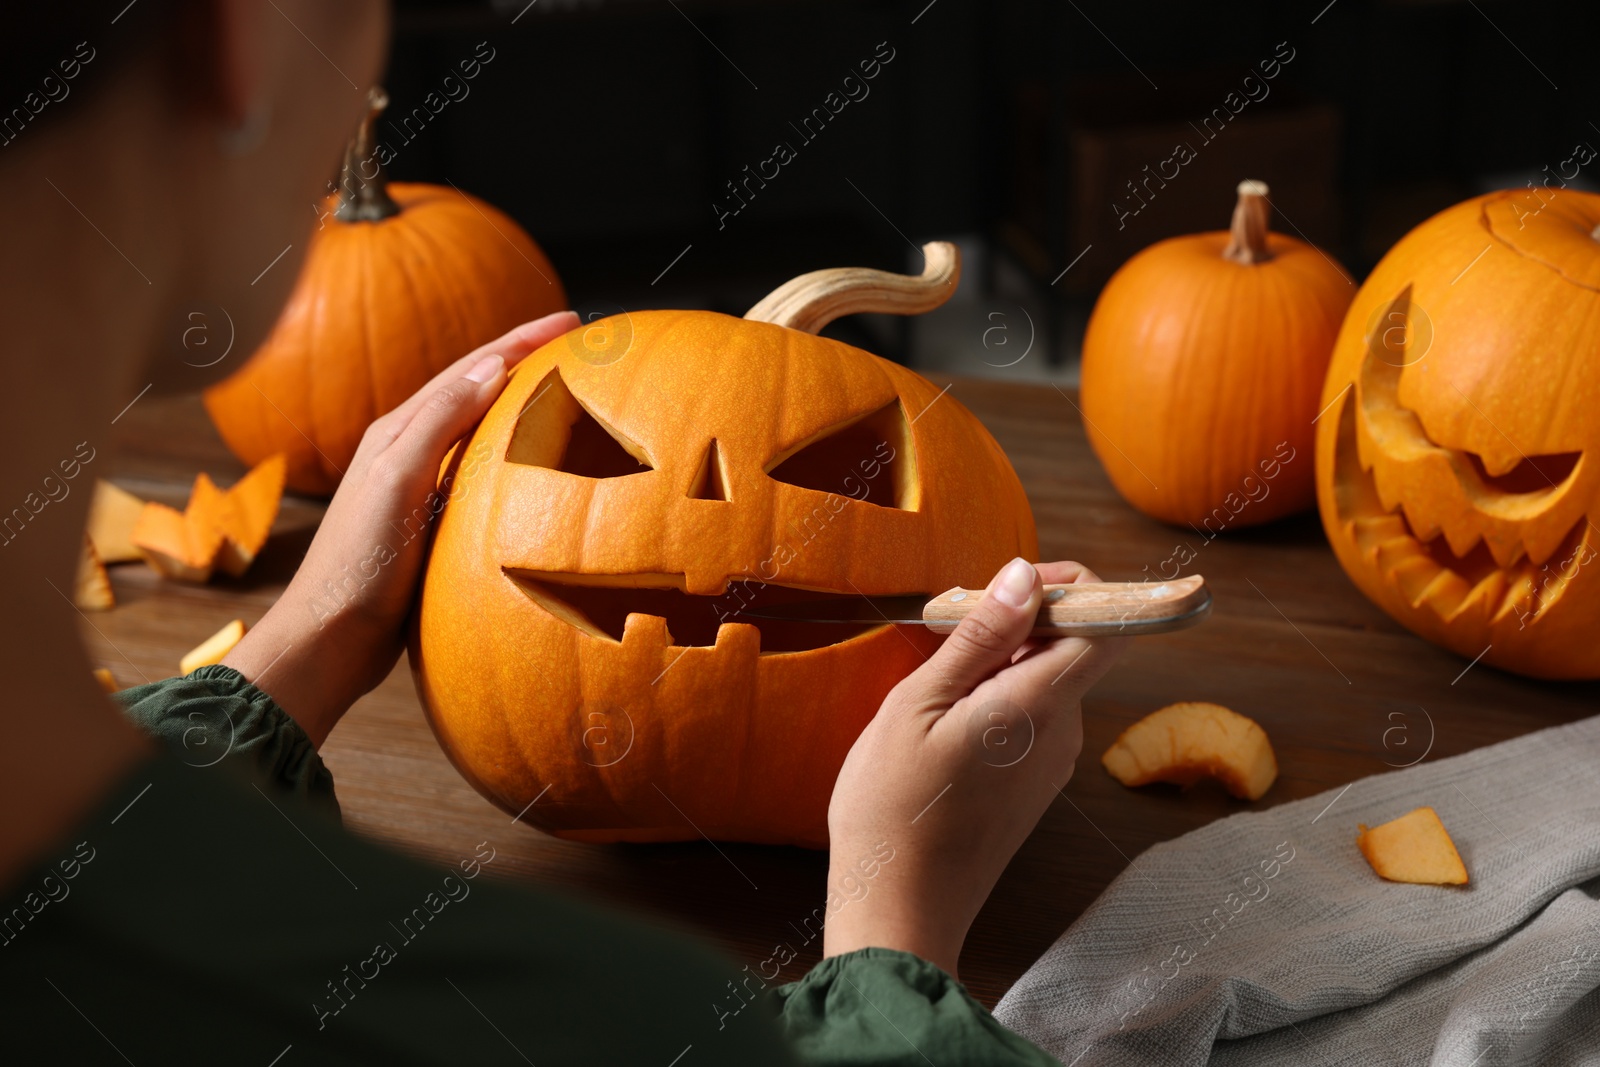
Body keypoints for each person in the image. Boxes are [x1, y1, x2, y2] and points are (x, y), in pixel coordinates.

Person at [0, 3, 1124, 1062]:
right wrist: (899, 918)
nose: (709, 523)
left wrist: (309, 640)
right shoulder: (597, 1022)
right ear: (238, 27)